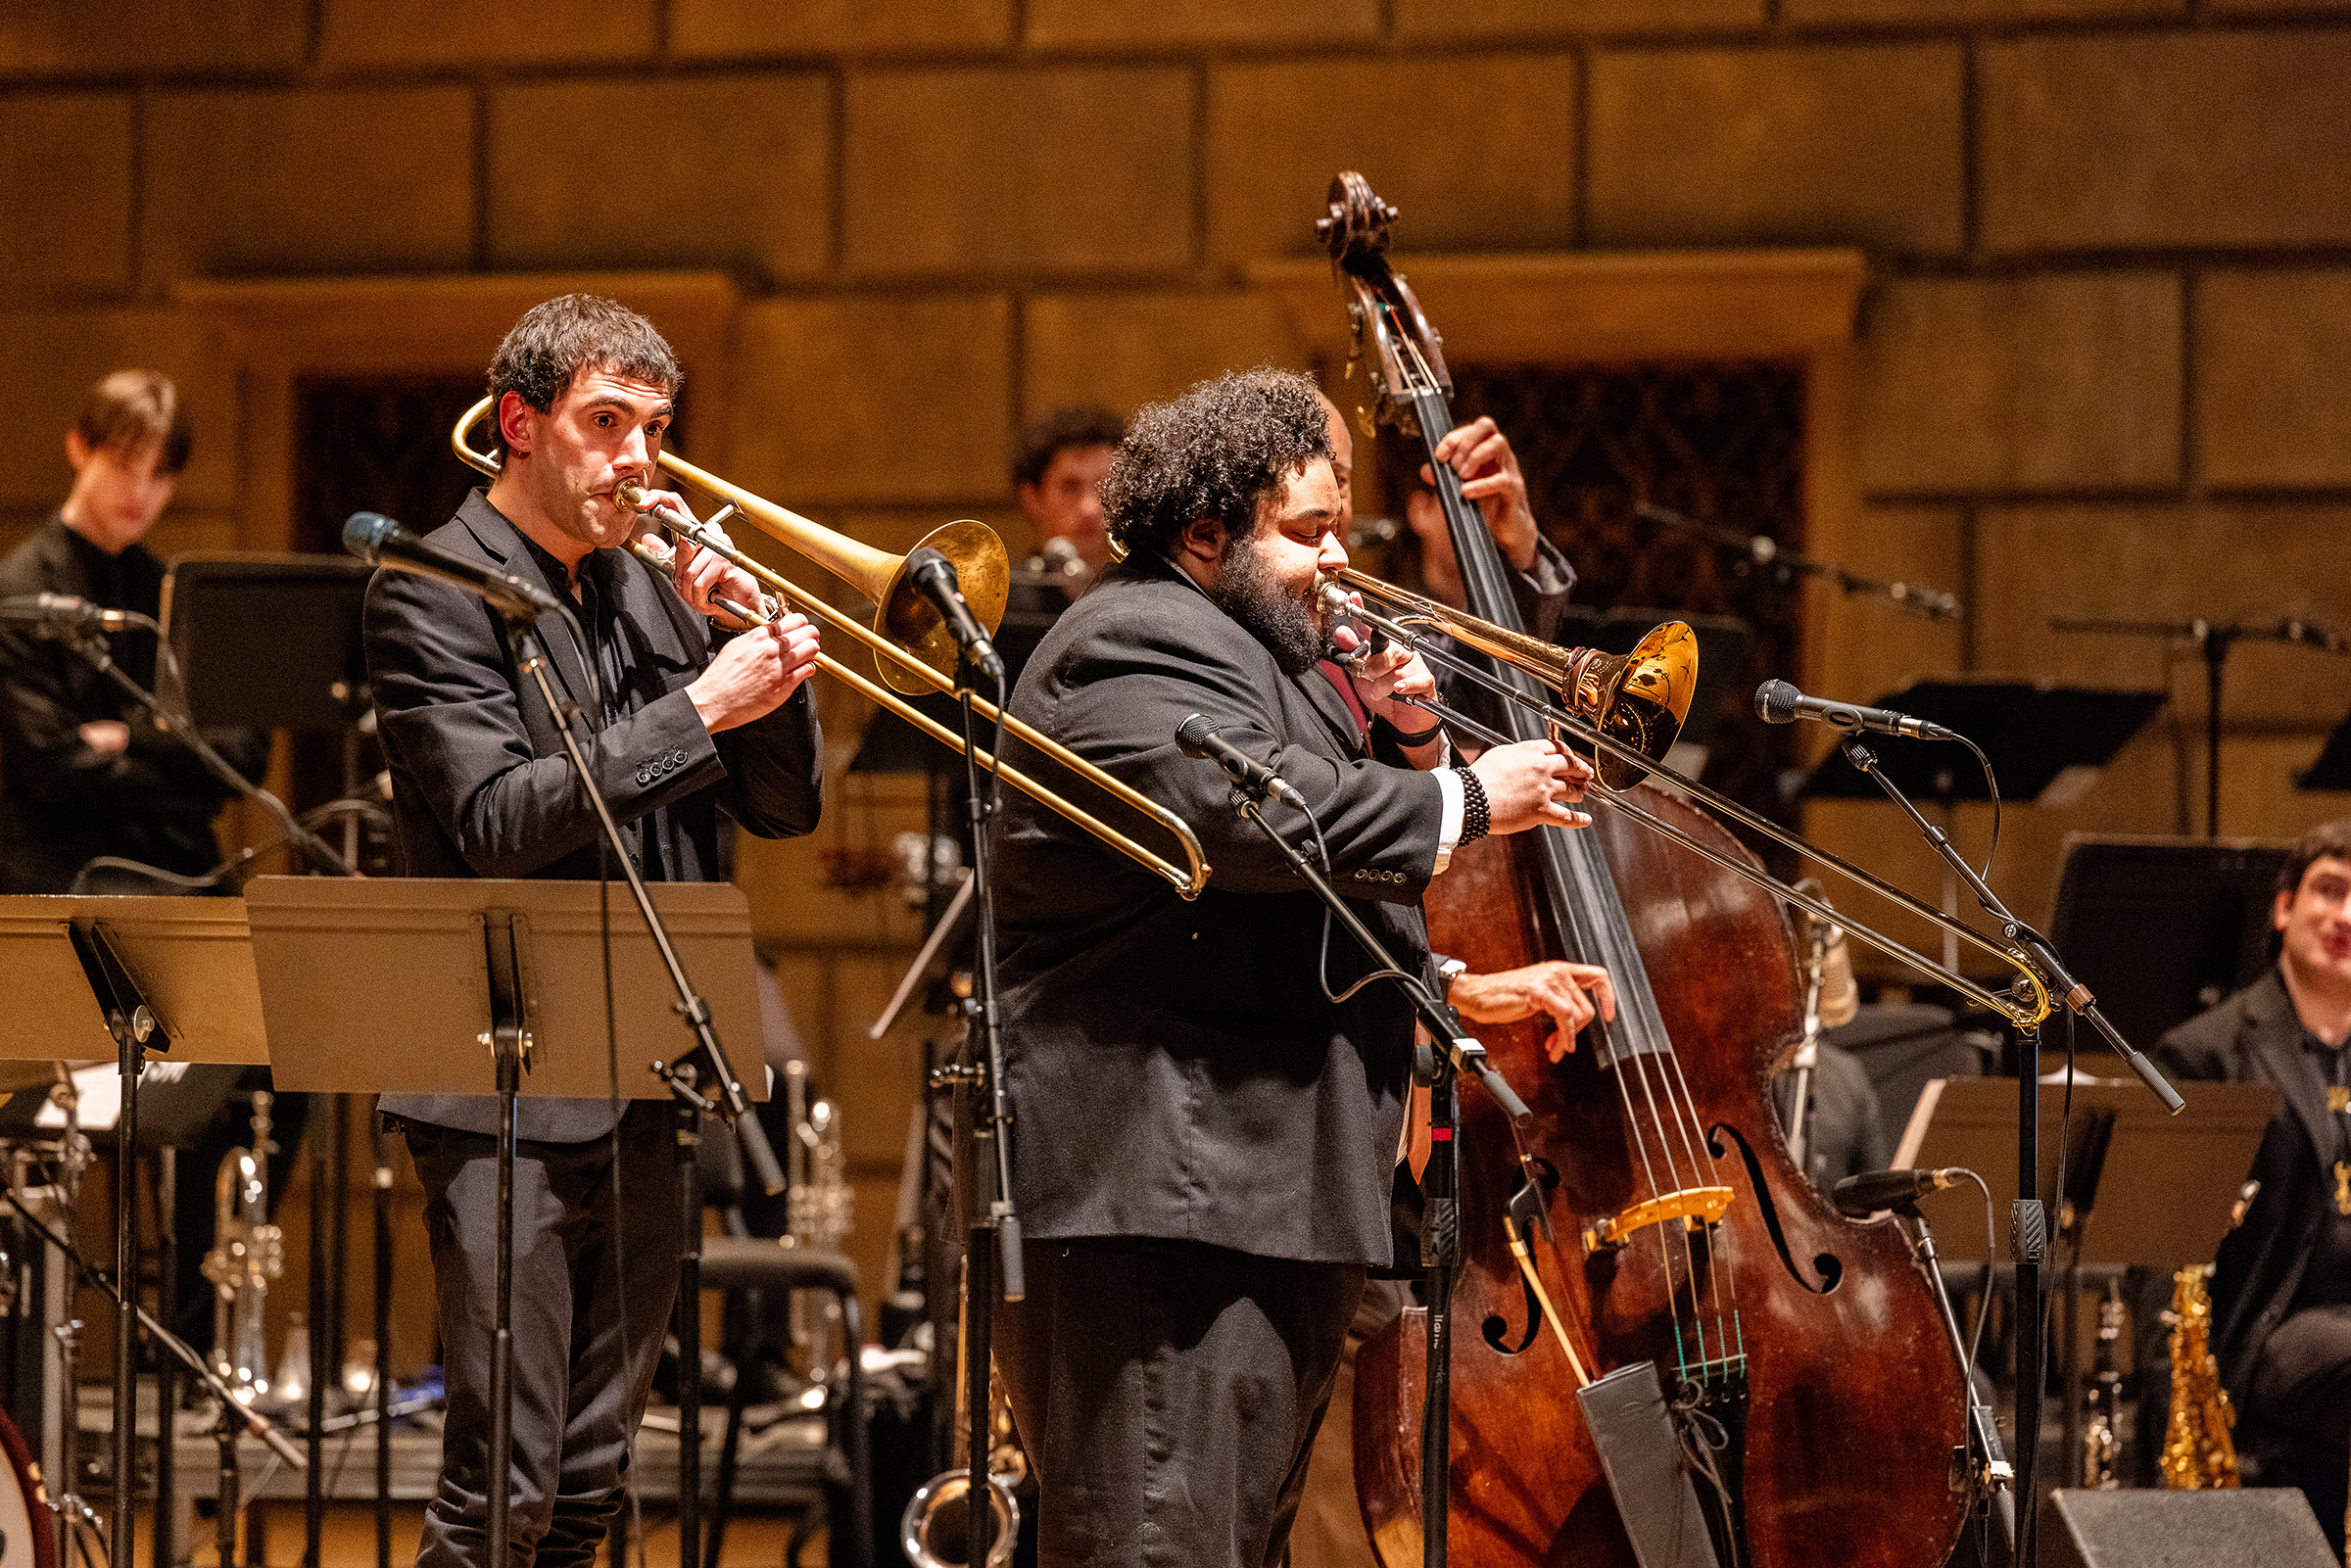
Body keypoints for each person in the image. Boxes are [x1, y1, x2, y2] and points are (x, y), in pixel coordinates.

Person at [986, 367, 1594, 1568]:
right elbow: (1248, 818)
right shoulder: (1135, 634)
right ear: (1208, 532)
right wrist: (1467, 789)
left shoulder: (1253, 655)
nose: (1340, 561)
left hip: (1257, 1191)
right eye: (1310, 532)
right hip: (1163, 1197)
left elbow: (1342, 896)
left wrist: (1412, 735)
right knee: (1160, 1545)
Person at [360, 294, 825, 1568]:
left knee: (589, 1492)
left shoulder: (644, 591)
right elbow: (502, 818)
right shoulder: (430, 587)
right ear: (520, 424)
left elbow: (782, 809)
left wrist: (739, 648)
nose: (638, 456)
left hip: (643, 1072)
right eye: (606, 421)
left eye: (655, 427)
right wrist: (700, 711)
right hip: (499, 1085)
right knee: (498, 1496)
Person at [2156, 819, 2351, 1551]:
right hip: (2275, 1323)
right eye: (2328, 892)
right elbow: (2169, 1241)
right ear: (2283, 908)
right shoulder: (2209, 1050)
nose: (2345, 917)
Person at [0, 369, 268, 893]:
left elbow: (242, 755)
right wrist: (186, 777)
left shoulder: (170, 587)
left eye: (161, 474)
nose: (141, 491)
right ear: (79, 448)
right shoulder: (16, 591)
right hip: (64, 878)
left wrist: (126, 736)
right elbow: (54, 768)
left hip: (183, 871)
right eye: (125, 465)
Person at [1012, 404, 1125, 591]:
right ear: (1033, 497)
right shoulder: (1006, 601)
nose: (1090, 508)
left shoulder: (1139, 598)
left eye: (1106, 486)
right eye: (1070, 488)